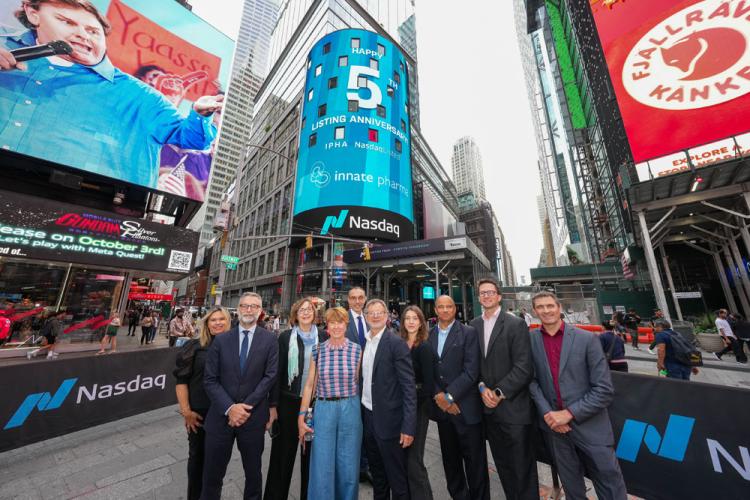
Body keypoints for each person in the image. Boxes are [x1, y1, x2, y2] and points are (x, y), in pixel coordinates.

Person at [0, 0, 223, 188]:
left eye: (93, 31)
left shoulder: (140, 96)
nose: (82, 35)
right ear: (33, 13)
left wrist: (200, 115)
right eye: (66, 22)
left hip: (86, 215)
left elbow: (191, 137)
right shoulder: (5, 46)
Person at [529, 291, 627, 500]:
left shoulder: (587, 339)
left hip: (590, 425)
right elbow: (532, 381)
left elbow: (603, 389)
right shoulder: (531, 340)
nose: (546, 311)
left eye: (550, 306)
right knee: (572, 486)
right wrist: (549, 414)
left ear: (559, 308)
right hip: (554, 428)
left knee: (609, 483)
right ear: (534, 311)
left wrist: (569, 414)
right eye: (540, 307)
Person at [202, 292, 279, 500]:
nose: (248, 310)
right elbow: (210, 379)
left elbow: (270, 376)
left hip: (253, 418)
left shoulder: (271, 340)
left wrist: (245, 407)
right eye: (245, 306)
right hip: (220, 418)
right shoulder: (221, 340)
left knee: (253, 475)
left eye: (254, 306)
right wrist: (230, 408)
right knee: (211, 476)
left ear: (260, 311)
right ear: (238, 309)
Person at [470, 278, 538, 500]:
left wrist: (498, 394)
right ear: (479, 297)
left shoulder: (515, 324)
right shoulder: (473, 325)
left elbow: (524, 368)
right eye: (482, 293)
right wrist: (482, 388)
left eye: (490, 292)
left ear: (499, 296)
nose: (486, 296)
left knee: (522, 470)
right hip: (488, 411)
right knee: (503, 468)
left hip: (514, 410)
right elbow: (474, 365)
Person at [265, 298, 328, 500]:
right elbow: (275, 374)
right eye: (302, 309)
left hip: (315, 404)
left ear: (315, 314)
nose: (306, 312)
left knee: (310, 457)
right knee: (282, 456)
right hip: (288, 403)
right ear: (295, 314)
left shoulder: (325, 337)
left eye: (310, 309)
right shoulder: (285, 338)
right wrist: (272, 406)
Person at [297, 306, 362, 500]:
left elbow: (358, 381)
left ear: (346, 324)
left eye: (339, 322)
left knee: (349, 465)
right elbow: (309, 385)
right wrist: (302, 417)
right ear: (327, 325)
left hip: (350, 408)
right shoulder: (318, 350)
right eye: (332, 322)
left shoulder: (357, 350)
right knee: (322, 464)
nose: (336, 326)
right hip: (324, 408)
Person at [430, 295, 488, 500]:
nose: (445, 310)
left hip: (466, 409)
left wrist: (450, 396)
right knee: (451, 462)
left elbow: (472, 371)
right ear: (435, 310)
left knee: (476, 464)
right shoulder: (429, 335)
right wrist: (440, 398)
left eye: (449, 307)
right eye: (441, 307)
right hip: (444, 412)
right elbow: (428, 371)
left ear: (455, 309)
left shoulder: (468, 332)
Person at [174, 307, 231, 500]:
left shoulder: (235, 347)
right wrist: (186, 411)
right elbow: (181, 381)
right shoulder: (194, 346)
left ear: (228, 321)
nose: (217, 323)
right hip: (198, 415)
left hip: (224, 414)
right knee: (197, 461)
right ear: (207, 323)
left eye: (221, 319)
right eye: (213, 320)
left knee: (217, 465)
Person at [361, 299, 416, 500]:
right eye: (371, 313)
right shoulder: (365, 342)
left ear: (387, 316)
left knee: (397, 480)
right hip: (368, 418)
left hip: (391, 423)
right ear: (366, 317)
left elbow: (408, 387)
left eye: (380, 312)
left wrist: (408, 427)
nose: (375, 316)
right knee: (378, 476)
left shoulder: (396, 344)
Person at [399, 306, 435, 500]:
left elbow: (429, 384)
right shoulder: (400, 344)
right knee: (404, 456)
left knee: (414, 459)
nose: (411, 322)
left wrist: (414, 397)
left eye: (415, 318)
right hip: (401, 406)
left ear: (421, 322)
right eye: (407, 318)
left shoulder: (424, 347)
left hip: (418, 407)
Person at [343, 286, 372, 483]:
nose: (357, 301)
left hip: (370, 382)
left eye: (360, 297)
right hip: (349, 382)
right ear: (348, 300)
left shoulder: (372, 318)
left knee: (368, 426)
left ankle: (366, 465)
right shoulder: (342, 320)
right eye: (353, 298)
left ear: (365, 299)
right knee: (352, 427)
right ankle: (353, 467)